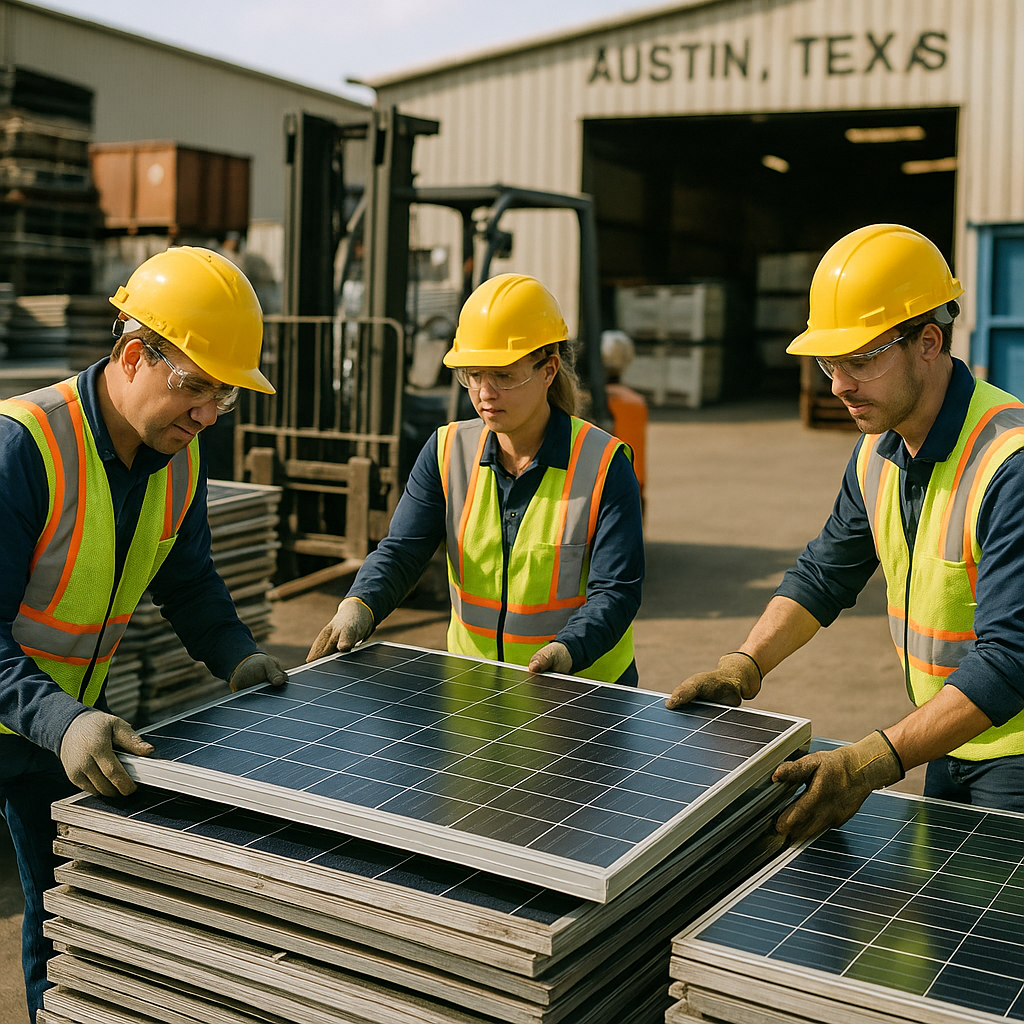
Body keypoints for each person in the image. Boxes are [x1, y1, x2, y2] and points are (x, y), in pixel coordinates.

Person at [0, 246, 288, 1021]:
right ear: (134, 355)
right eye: (196, 389)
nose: (206, 415)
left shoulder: (179, 461)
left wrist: (237, 655)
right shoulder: (24, 448)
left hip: (51, 729)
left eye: (223, 398)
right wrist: (65, 719)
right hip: (42, 714)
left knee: (62, 916)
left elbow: (188, 579)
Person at [667, 223, 1024, 842]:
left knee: (989, 930)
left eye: (860, 362)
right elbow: (824, 573)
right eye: (831, 363)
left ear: (929, 343)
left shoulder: (1009, 463)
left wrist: (870, 762)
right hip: (948, 736)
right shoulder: (877, 453)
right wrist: (746, 663)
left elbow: (1010, 659)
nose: (838, 386)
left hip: (1013, 752)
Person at [308, 273, 644, 684]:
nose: (485, 392)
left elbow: (616, 591)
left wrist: (568, 650)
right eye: (473, 374)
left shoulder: (605, 464)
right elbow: (402, 552)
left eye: (503, 375)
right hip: (476, 689)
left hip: (581, 693)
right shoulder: (446, 451)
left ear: (548, 370)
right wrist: (360, 604)